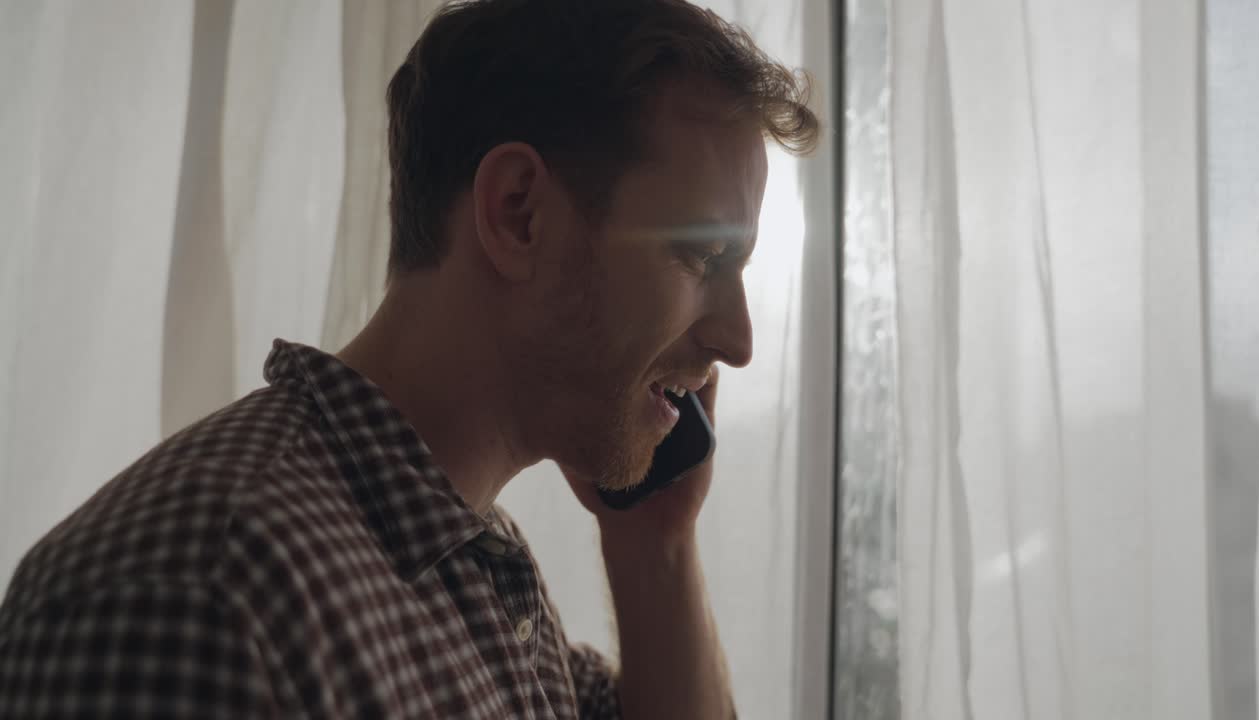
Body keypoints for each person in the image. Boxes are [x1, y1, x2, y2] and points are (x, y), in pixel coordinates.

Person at [0, 0, 818, 716]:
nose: (737, 344)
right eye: (704, 257)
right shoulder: (194, 603)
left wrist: (656, 546)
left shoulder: (469, 566)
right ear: (519, 213)